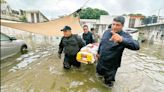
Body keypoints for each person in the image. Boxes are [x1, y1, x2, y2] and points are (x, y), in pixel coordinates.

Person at [96, 16, 140, 87]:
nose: (114, 27)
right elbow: (101, 43)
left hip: (111, 67)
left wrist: (121, 39)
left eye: (117, 25)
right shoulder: (107, 32)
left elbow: (136, 46)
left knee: (108, 85)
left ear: (122, 26)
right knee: (98, 78)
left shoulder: (125, 36)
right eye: (113, 24)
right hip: (101, 62)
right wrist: (98, 53)